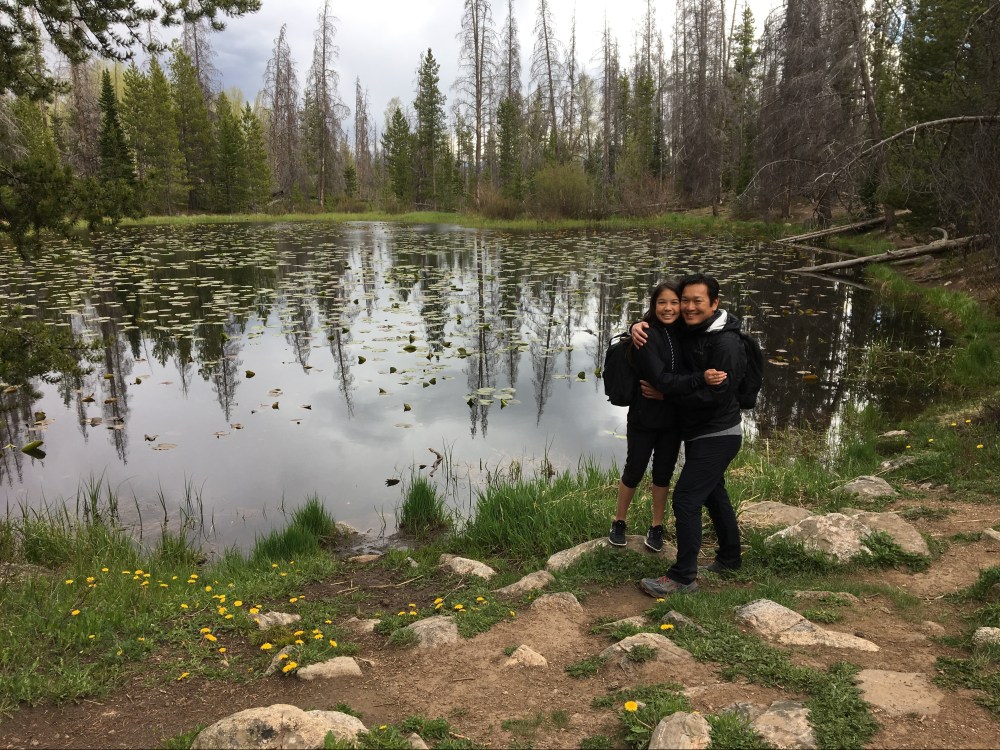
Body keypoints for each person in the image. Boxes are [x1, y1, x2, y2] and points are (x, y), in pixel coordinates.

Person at [631, 273, 747, 596]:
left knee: (686, 497)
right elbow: (661, 324)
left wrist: (668, 395)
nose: (689, 307)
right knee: (713, 492)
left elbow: (716, 398)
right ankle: (729, 557)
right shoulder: (694, 328)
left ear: (714, 303)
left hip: (718, 432)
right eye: (686, 301)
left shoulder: (725, 344)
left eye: (698, 301)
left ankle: (683, 577)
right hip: (701, 433)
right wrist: (636, 327)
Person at [610, 280, 727, 552]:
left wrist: (681, 387)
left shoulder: (687, 333)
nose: (669, 308)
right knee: (634, 468)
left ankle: (656, 526)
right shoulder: (646, 335)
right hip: (643, 416)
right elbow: (661, 380)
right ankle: (619, 521)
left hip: (674, 419)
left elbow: (672, 381)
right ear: (653, 305)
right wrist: (700, 379)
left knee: (663, 473)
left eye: (675, 302)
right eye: (662, 302)